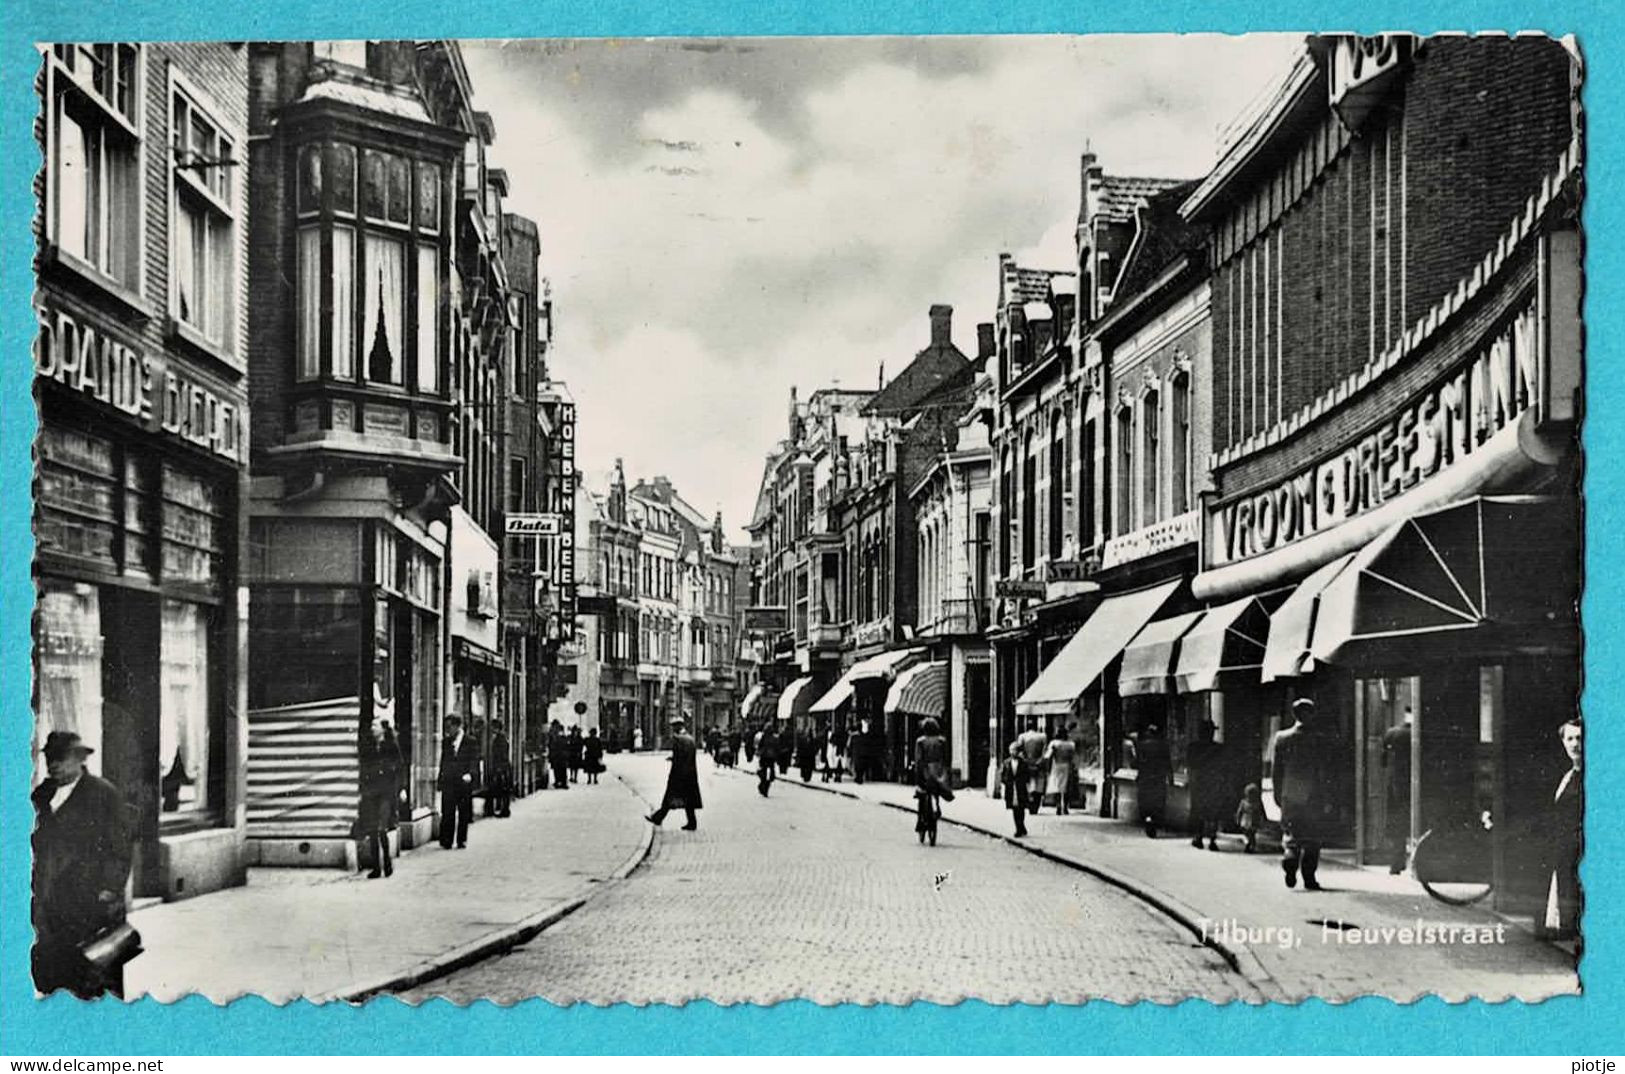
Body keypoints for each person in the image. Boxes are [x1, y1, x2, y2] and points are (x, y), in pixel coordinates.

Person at [31, 731, 135, 998]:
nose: (54, 764)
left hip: (90, 898)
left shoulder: (102, 793)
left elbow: (120, 847)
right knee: (55, 974)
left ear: (79, 759)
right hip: (50, 899)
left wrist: (110, 888)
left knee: (95, 972)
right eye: (50, 758)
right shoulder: (41, 795)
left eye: (61, 758)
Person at [1272, 697, 1335, 890]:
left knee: (1292, 834)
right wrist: (1328, 796)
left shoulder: (1281, 738)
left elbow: (1277, 771)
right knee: (1312, 839)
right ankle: (1309, 877)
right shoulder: (1320, 739)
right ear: (1311, 715)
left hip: (1290, 795)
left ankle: (1290, 859)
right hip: (1314, 795)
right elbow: (1325, 770)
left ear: (1294, 715)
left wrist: (1277, 793)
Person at [1538, 717, 1583, 941]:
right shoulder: (1568, 776)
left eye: (1580, 738)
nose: (1575, 744)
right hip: (1565, 850)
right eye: (1570, 739)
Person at [359, 717, 405, 877]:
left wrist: (401, 789)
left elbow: (400, 767)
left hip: (386, 793)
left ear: (383, 729)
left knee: (381, 828)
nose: (372, 728)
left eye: (375, 725)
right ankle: (376, 868)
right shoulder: (369, 746)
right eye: (371, 725)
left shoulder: (391, 746)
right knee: (372, 829)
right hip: (371, 792)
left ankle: (387, 862)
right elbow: (363, 768)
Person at [646, 715, 702, 830]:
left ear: (677, 727)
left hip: (679, 775)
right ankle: (692, 823)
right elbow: (688, 757)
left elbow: (678, 758)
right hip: (690, 775)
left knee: (669, 798)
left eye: (674, 727)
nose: (672, 729)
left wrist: (673, 762)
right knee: (688, 800)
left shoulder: (678, 739)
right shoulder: (690, 738)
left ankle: (658, 818)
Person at [438, 715, 479, 849]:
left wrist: (470, 774)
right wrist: (441, 780)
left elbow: (474, 759)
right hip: (449, 781)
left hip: (463, 781)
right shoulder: (446, 742)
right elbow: (443, 762)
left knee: (463, 812)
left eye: (449, 727)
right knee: (447, 811)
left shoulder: (470, 741)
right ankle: (447, 840)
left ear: (457, 726)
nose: (447, 730)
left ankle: (462, 839)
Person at [1381, 710, 1414, 874]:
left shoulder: (1392, 733)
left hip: (1395, 784)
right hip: (1414, 784)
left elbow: (1383, 761)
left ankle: (1396, 863)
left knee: (1397, 824)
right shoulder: (1417, 735)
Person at [912, 717, 955, 844]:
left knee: (921, 796)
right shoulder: (942, 741)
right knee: (937, 791)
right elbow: (947, 757)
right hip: (939, 772)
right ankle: (936, 807)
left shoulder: (920, 741)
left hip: (925, 771)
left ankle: (921, 822)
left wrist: (917, 776)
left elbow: (918, 760)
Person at [1186, 720, 1225, 851]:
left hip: (1199, 782)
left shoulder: (1193, 747)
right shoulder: (1219, 748)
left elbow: (1190, 764)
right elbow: (1223, 766)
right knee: (1213, 811)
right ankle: (1213, 839)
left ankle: (1198, 837)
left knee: (1198, 810)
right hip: (1214, 782)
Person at [1134, 722, 1172, 838]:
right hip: (1158, 778)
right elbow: (1168, 763)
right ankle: (1154, 821)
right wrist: (1171, 778)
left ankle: (1147, 819)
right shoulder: (1164, 746)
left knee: (1145, 801)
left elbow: (1136, 763)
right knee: (1157, 801)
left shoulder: (1142, 745)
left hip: (1145, 778)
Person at [1000, 741, 1033, 838]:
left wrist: (1027, 787)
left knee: (1021, 808)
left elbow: (1027, 776)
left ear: (1018, 752)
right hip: (1011, 788)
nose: (1012, 752)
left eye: (1014, 750)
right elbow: (1003, 776)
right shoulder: (1006, 763)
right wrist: (1005, 784)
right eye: (1011, 750)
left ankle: (1021, 826)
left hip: (1020, 788)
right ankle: (1018, 828)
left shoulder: (1023, 763)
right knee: (1014, 809)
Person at [1016, 718, 1048, 814]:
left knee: (1028, 785)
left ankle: (1030, 805)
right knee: (1038, 787)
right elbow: (1045, 752)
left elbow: (1019, 751)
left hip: (1027, 764)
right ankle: (1035, 806)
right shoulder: (1042, 736)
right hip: (1039, 765)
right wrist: (1040, 761)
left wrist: (1024, 761)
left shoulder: (1022, 736)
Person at [1043, 728, 1078, 816]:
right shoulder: (1070, 744)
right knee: (1066, 787)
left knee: (1057, 787)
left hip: (1057, 766)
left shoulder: (1054, 743)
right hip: (1067, 766)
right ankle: (1065, 807)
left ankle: (1058, 806)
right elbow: (1074, 757)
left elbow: (1048, 756)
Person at [488, 726, 514, 818]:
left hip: (502, 767)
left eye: (494, 728)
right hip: (504, 767)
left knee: (503, 789)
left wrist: (498, 768)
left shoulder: (500, 740)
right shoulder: (503, 738)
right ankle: (504, 809)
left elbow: (500, 754)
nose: (492, 730)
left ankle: (505, 810)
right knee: (504, 790)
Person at [1235, 783, 1265, 854]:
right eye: (1249, 794)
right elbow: (1240, 811)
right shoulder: (1243, 802)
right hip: (1245, 820)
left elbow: (1261, 811)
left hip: (1254, 820)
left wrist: (1263, 819)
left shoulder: (1258, 803)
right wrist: (1238, 819)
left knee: (1252, 834)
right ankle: (1249, 843)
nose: (1251, 796)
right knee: (1246, 833)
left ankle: (1251, 845)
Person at [756, 721, 780, 797]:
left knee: (764, 773)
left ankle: (763, 786)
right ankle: (765, 787)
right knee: (769, 774)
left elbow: (760, 746)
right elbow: (777, 748)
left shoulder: (764, 737)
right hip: (770, 758)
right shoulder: (774, 738)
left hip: (765, 757)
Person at [548, 721, 571, 791]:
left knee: (560, 769)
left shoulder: (556, 736)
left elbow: (565, 745)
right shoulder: (554, 735)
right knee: (559, 769)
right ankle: (560, 782)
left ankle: (561, 782)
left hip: (559, 756)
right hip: (559, 756)